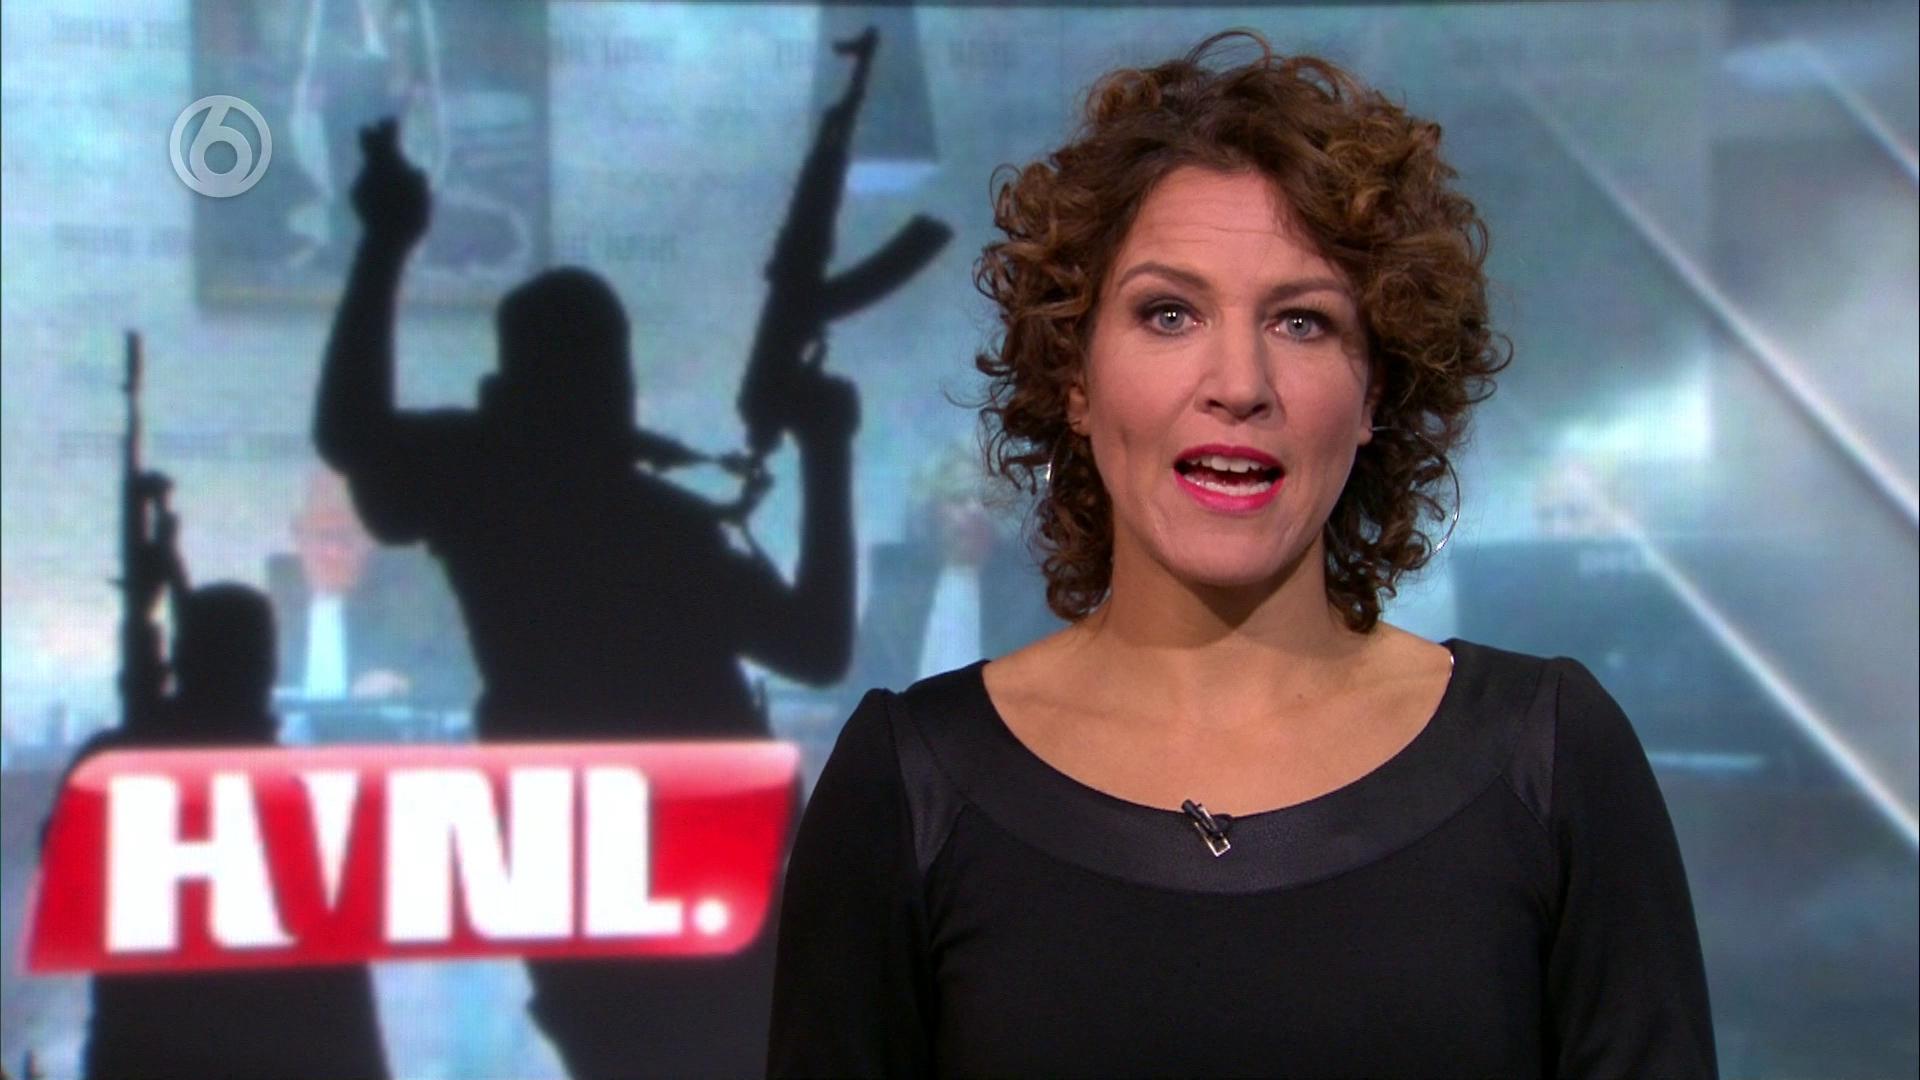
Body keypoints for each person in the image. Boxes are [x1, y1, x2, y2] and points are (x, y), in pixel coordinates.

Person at [770, 30, 1717, 1078]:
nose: (1238, 383)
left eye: (1302, 322)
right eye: (1168, 313)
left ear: (1375, 391)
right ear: (1074, 377)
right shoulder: (909, 786)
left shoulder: (1549, 759)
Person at [317, 119, 857, 1077]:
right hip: (677, 860)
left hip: (592, 860)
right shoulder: (640, 520)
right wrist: (825, 454)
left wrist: (385, 244)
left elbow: (352, 434)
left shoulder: (489, 485)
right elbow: (815, 647)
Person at [73, 584, 390, 1080]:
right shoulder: (305, 796)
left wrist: (145, 693)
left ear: (181, 661)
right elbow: (343, 996)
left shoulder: (112, 766)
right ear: (267, 667)